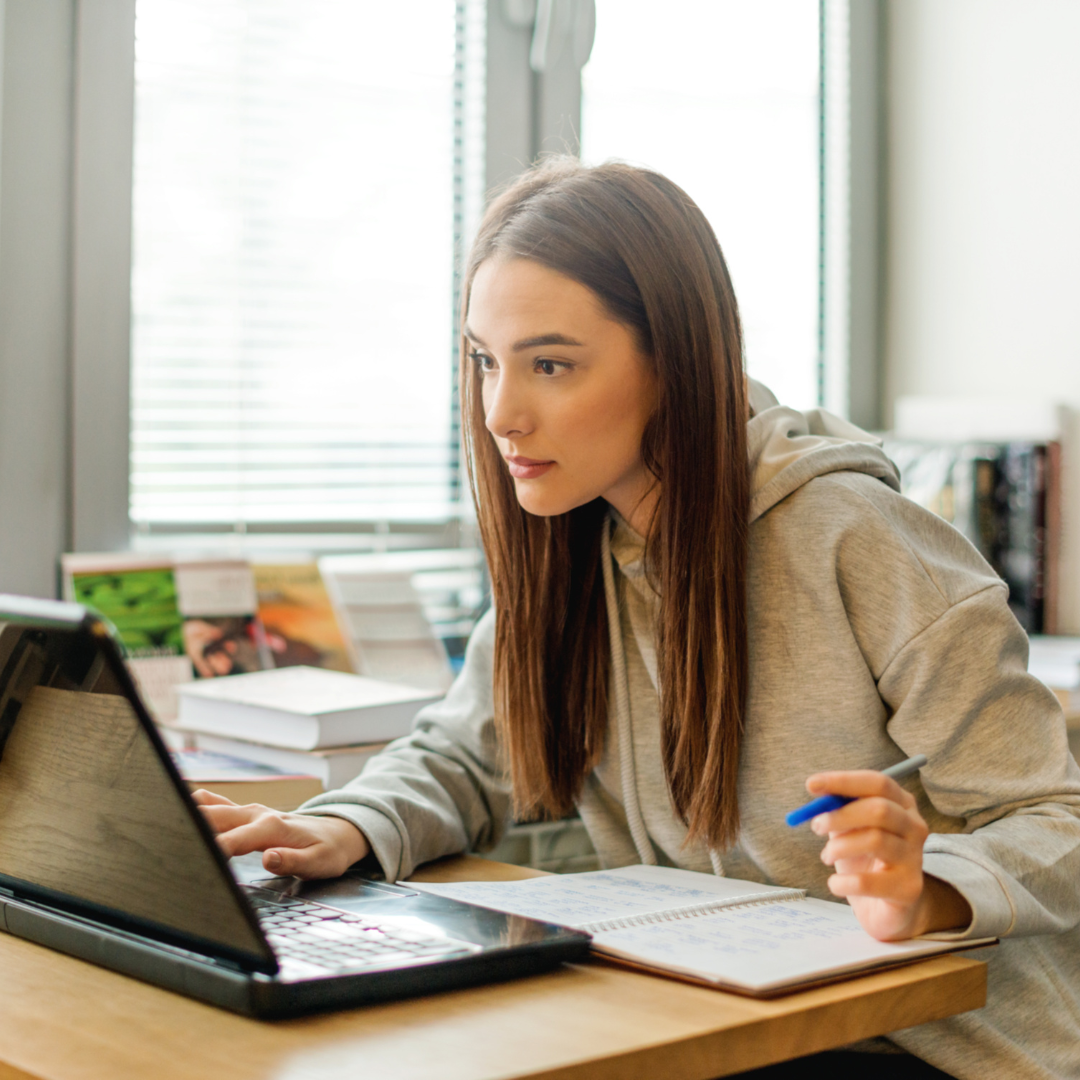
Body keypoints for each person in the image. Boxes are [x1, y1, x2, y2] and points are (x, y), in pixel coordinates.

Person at [194, 159, 1080, 1079]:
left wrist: (924, 886)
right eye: (485, 362)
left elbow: (1054, 817)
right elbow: (466, 757)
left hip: (936, 1040)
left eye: (550, 365)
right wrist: (350, 828)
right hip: (710, 1011)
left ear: (675, 362)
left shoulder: (858, 538)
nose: (502, 413)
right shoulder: (577, 539)